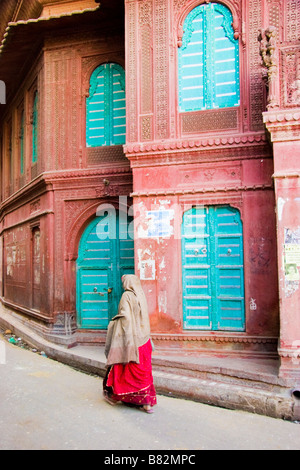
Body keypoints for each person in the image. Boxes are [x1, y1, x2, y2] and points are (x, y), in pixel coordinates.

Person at [103, 274, 157, 413]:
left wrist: (114, 322)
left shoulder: (127, 296)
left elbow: (125, 318)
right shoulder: (141, 295)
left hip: (133, 341)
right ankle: (146, 403)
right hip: (144, 340)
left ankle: (115, 397)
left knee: (123, 369)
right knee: (143, 372)